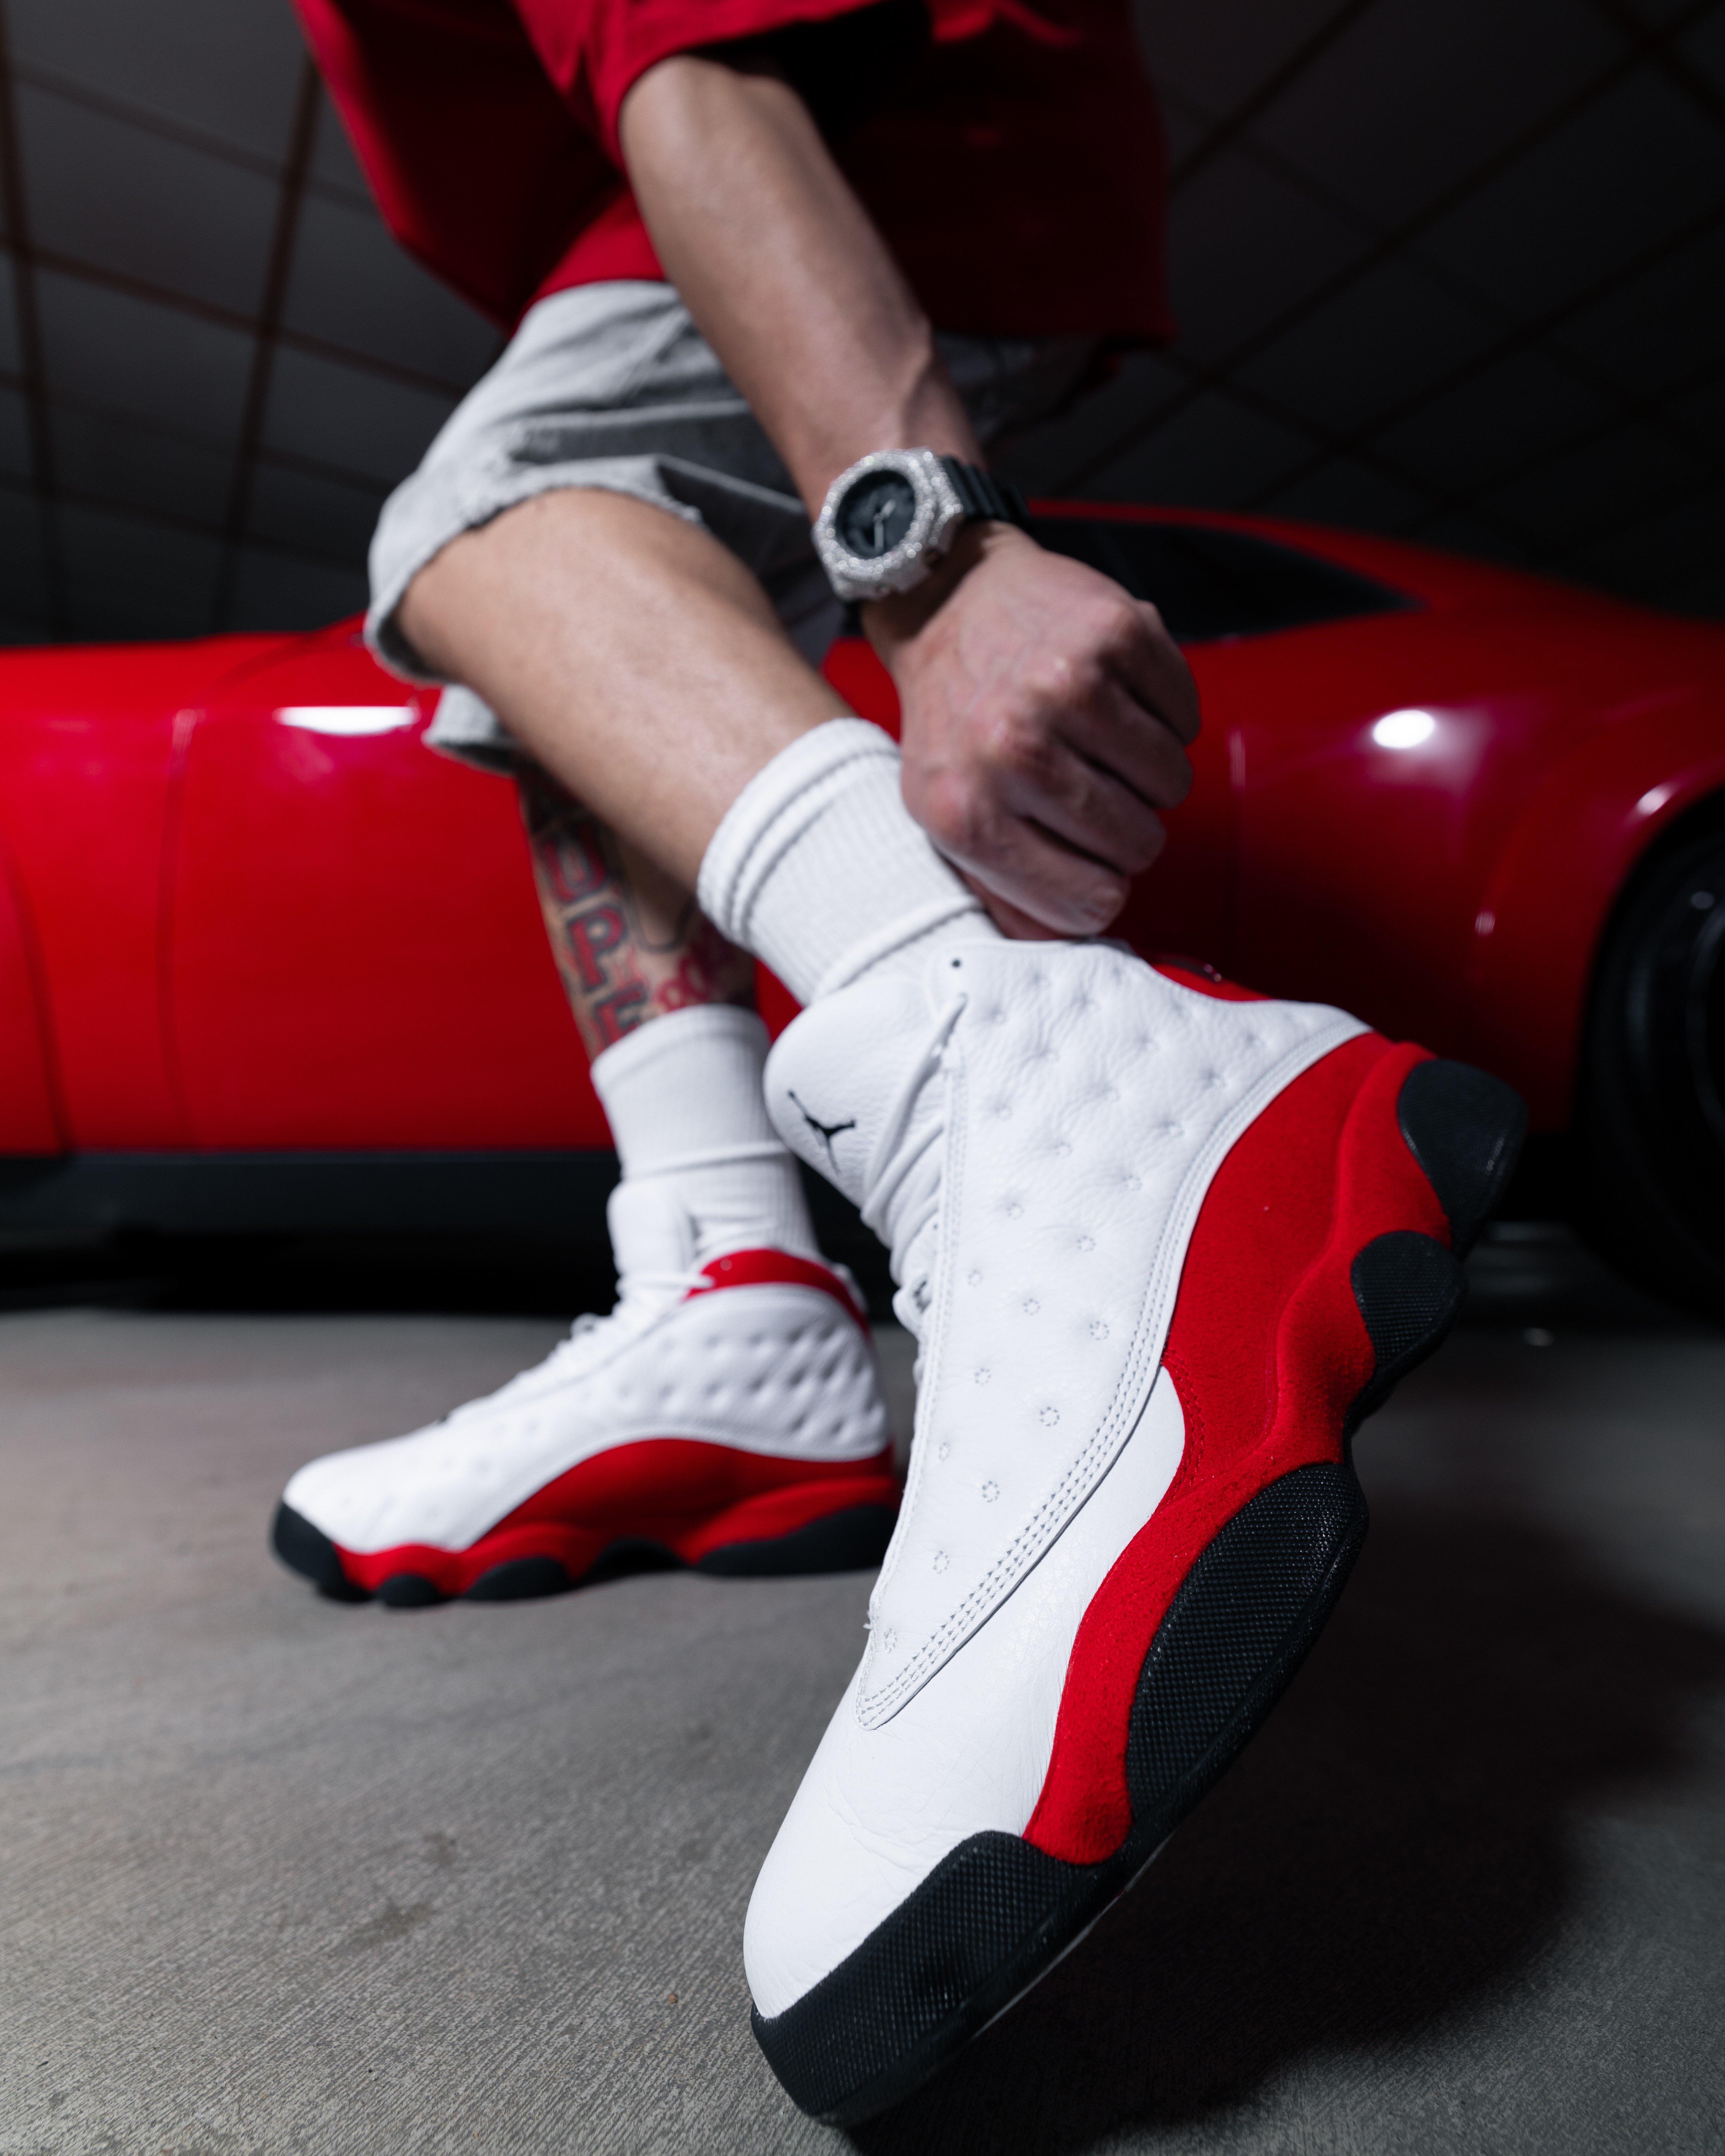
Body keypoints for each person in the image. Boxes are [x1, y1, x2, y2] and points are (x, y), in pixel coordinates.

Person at [271, 0, 1526, 2120]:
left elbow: (688, 31)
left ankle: (1012, 1044)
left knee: (505, 506)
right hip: (650, 187)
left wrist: (925, 550)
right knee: (575, 646)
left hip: (859, 114)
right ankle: (730, 1290)